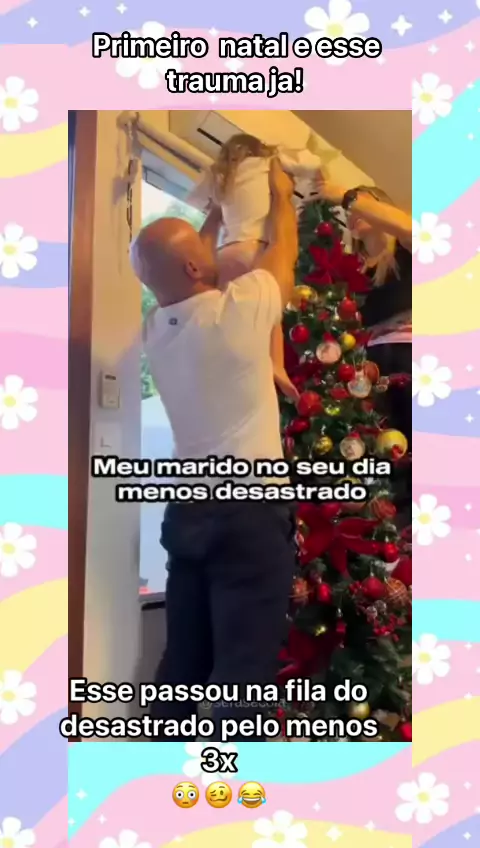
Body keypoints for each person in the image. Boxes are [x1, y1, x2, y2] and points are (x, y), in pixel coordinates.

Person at [130, 159, 298, 741]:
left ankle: (153, 774)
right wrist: (281, 198)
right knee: (242, 675)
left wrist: (210, 215)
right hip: (247, 515)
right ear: (194, 266)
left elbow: (185, 264)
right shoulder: (237, 312)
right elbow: (283, 258)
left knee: (183, 664)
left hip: (188, 513)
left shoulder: (157, 330)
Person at [188, 133, 325, 401]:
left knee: (228, 313)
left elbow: (196, 199)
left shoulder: (220, 175)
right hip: (257, 248)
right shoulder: (273, 160)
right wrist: (318, 176)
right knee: (270, 309)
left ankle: (223, 367)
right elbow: (311, 161)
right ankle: (275, 364)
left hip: (226, 253)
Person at [317, 181, 412, 519]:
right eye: (349, 212)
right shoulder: (354, 272)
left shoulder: (405, 250)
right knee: (383, 451)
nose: (352, 213)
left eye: (362, 205)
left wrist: (350, 197)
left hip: (409, 356)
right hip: (369, 369)